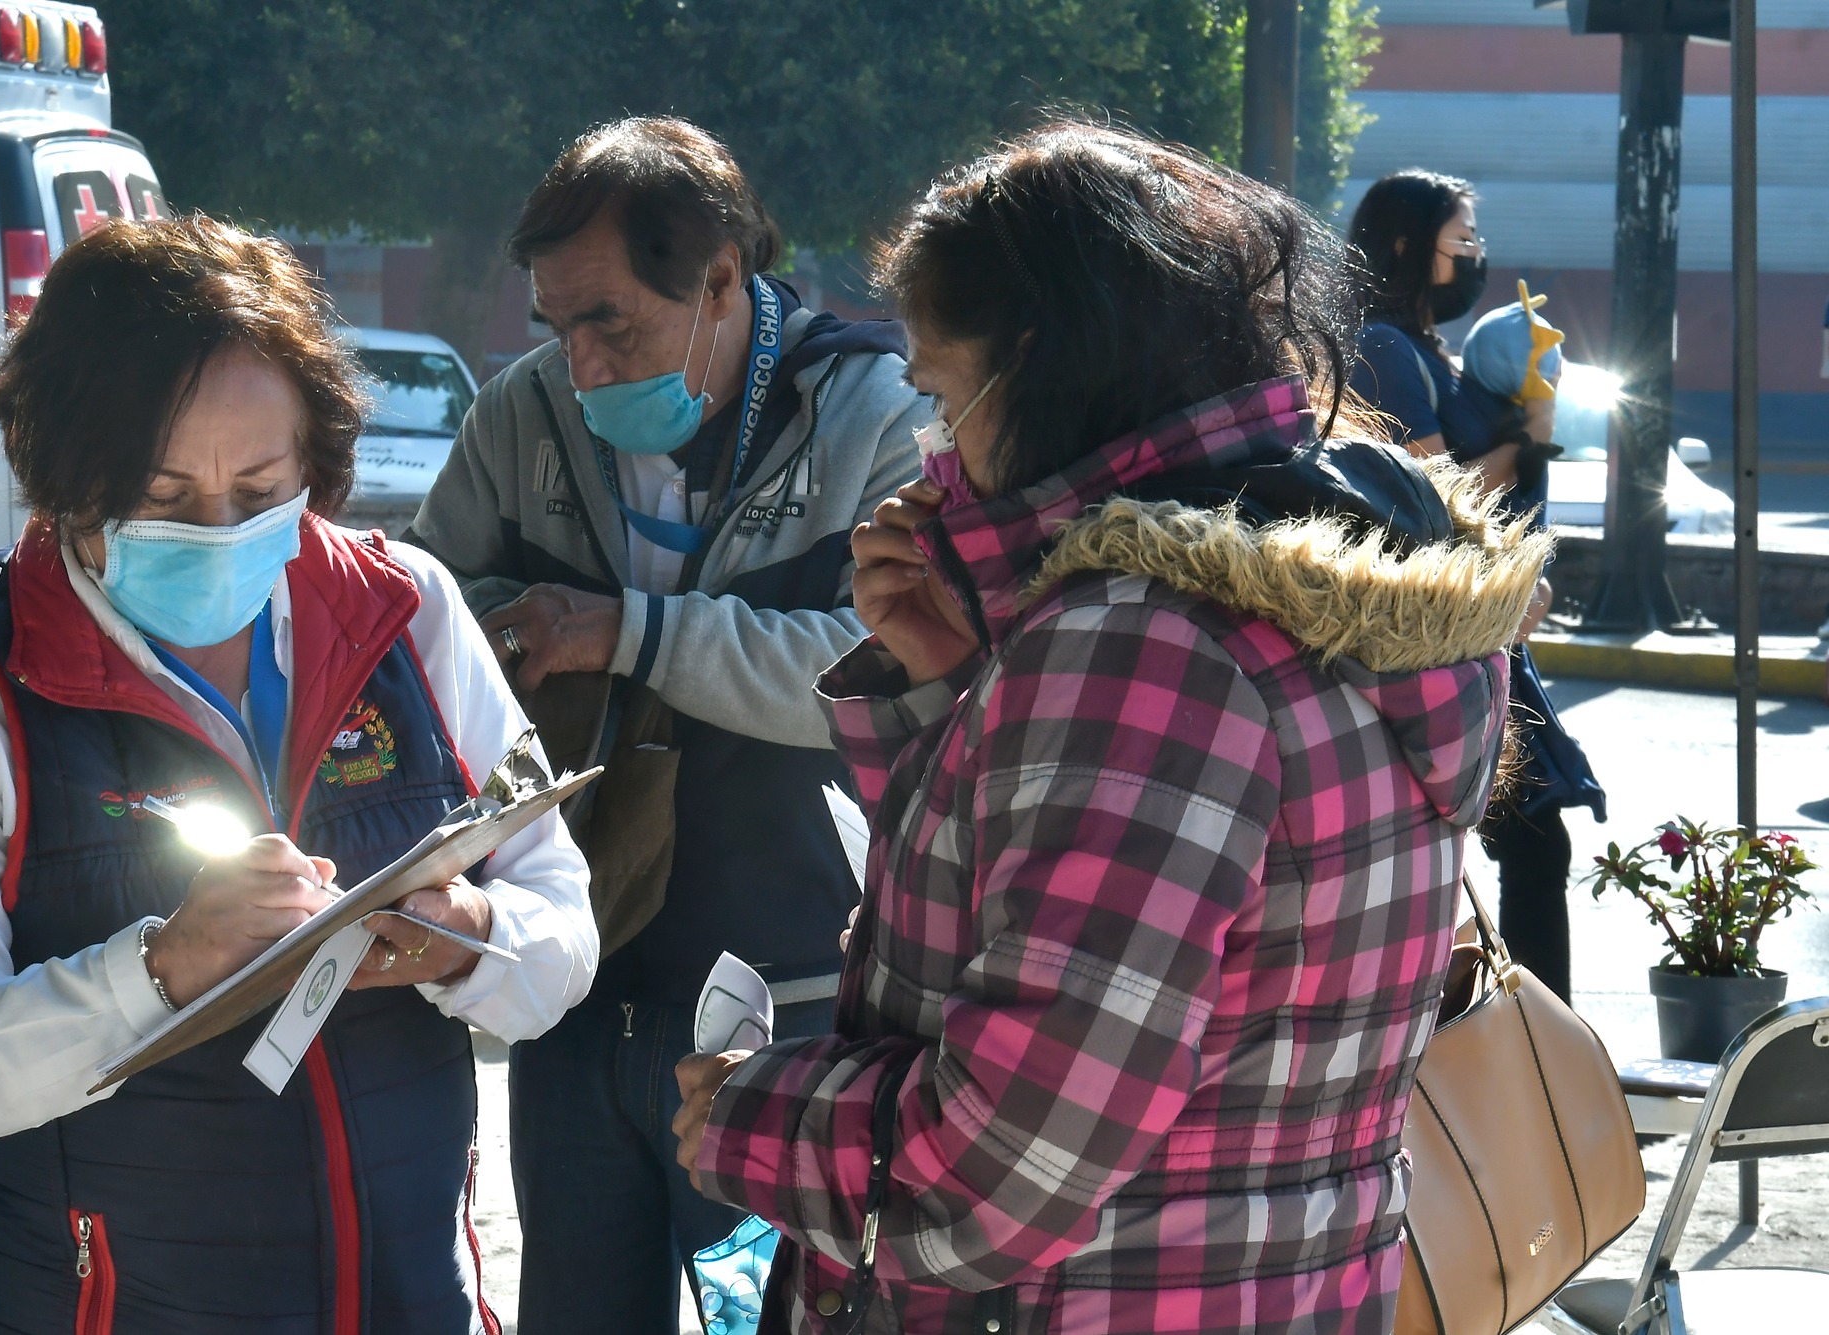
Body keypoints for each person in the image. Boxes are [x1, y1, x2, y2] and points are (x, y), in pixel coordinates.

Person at [671, 122, 1549, 1333]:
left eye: (936, 392)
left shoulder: (1143, 648)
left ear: (1030, 362)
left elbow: (994, 1178)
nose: (936, 449)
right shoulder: (1304, 590)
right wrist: (955, 677)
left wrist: (749, 1114)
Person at [0, 216, 596, 1333]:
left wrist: (471, 936)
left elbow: (563, 927)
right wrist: (159, 967)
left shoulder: (410, 612)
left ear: (317, 464)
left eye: (259, 491)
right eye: (160, 497)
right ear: (64, 481)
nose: (218, 530)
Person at [407, 117, 927, 1333]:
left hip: (795, 998)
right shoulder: (521, 414)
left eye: (613, 325)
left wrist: (626, 635)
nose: (579, 366)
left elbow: (882, 675)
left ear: (719, 279)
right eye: (556, 324)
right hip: (580, 990)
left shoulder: (876, 416)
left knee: (791, 1314)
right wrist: (507, 626)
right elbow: (422, 624)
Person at [1348, 170, 1605, 1000]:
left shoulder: (1425, 350)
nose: (1475, 257)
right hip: (1437, 636)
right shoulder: (1384, 348)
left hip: (1477, 629)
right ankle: (1541, 1056)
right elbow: (1433, 500)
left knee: (1525, 842)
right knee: (1525, 842)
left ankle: (1533, 1044)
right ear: (1404, 246)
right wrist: (1528, 437)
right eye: (1461, 242)